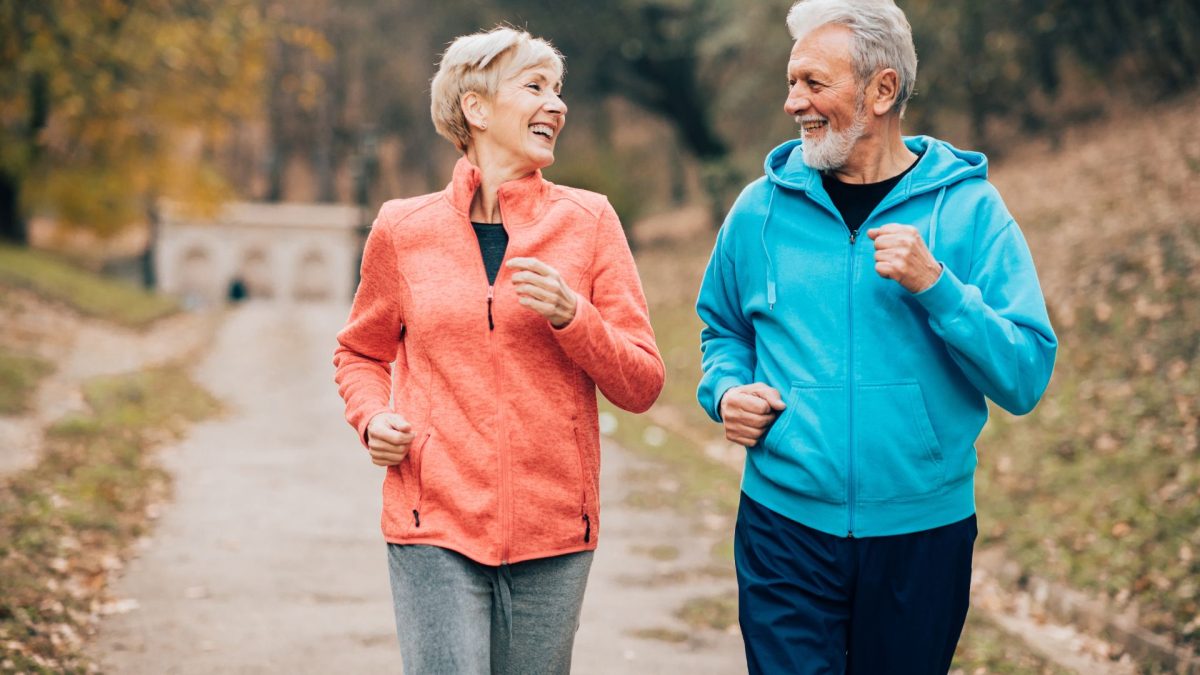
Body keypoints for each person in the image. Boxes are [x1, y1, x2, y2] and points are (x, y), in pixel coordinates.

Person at [695, 1, 1058, 672]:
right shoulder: (759, 210)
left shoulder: (972, 210)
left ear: (882, 90)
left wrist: (938, 287)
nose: (791, 102)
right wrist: (725, 390)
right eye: (790, 80)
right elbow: (722, 328)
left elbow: (1025, 374)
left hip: (922, 532)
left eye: (812, 83)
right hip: (784, 526)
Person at [333, 26, 664, 675]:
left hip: (554, 529)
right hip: (434, 519)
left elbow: (642, 383)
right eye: (535, 86)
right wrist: (372, 418)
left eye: (559, 90)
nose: (557, 105)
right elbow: (359, 354)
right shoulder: (404, 229)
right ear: (476, 107)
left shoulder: (589, 222)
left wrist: (576, 317)